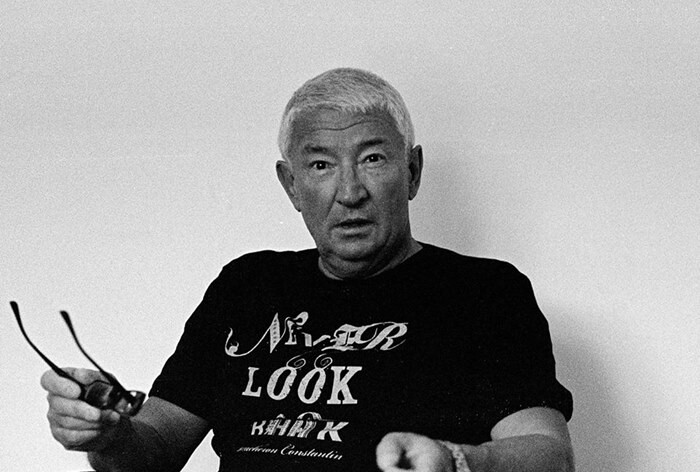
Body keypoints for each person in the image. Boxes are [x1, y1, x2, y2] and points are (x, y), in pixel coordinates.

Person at [41, 68, 574, 472]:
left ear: (411, 171)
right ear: (291, 185)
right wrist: (108, 434)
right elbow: (155, 445)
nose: (350, 192)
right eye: (320, 165)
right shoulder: (247, 286)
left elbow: (549, 453)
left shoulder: (484, 293)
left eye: (373, 158)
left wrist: (455, 460)